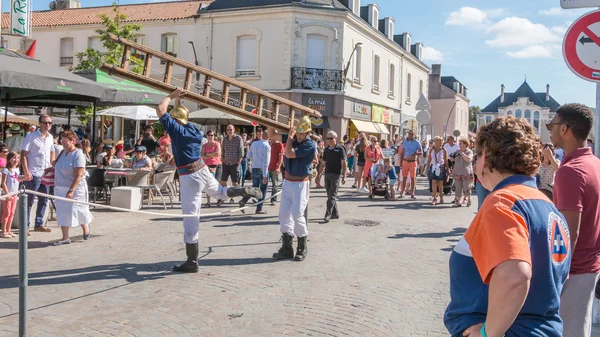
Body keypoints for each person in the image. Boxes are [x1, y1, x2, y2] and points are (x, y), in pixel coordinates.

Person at [444, 116, 572, 337]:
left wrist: (488, 333)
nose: (475, 163)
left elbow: (516, 276)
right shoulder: (548, 207)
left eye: (478, 154)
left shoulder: (502, 203)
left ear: (488, 157)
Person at [156, 88, 262, 273]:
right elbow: (180, 118)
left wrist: (170, 97)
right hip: (202, 169)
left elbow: (160, 110)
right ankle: (242, 190)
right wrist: (179, 102)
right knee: (220, 192)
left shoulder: (177, 131)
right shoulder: (194, 131)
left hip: (189, 176)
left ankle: (191, 261)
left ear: (175, 120)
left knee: (191, 217)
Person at [549, 103, 600, 337]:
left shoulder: (570, 171)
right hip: (589, 264)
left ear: (565, 129)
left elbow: (568, 232)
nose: (549, 129)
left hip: (574, 269)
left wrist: (554, 274)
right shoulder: (594, 164)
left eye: (552, 124)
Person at [267, 116, 316, 262]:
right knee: (283, 215)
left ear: (307, 133)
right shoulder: (293, 137)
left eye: (302, 133)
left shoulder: (310, 145)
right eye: (298, 133)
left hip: (301, 183)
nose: (299, 136)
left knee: (297, 215)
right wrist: (270, 120)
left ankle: (302, 247)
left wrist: (289, 137)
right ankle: (287, 248)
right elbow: (271, 135)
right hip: (288, 181)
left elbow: (289, 153)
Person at [52, 131, 93, 246]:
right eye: (62, 141)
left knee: (78, 209)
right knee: (62, 212)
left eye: (65, 142)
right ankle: (65, 237)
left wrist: (71, 190)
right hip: (60, 187)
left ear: (73, 141)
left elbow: (79, 175)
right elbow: (55, 164)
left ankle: (85, 226)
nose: (63, 144)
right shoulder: (61, 152)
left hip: (75, 188)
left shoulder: (78, 154)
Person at [22, 114, 55, 233]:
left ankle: (39, 223)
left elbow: (52, 152)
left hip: (45, 173)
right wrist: (26, 171)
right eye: (45, 122)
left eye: (50, 123)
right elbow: (23, 155)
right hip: (34, 172)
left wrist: (52, 165)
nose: (48, 125)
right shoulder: (31, 136)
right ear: (39, 123)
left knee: (44, 199)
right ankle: (25, 225)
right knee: (29, 200)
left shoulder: (50, 137)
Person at [240, 127, 270, 215]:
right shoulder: (266, 145)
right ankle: (259, 208)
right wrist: (265, 174)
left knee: (254, 188)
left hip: (254, 168)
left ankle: (243, 200)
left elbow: (248, 156)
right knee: (262, 190)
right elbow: (266, 161)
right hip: (262, 169)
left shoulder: (254, 143)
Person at [322, 130, 346, 223]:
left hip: (336, 174)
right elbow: (324, 163)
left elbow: (344, 163)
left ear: (335, 139)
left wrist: (344, 176)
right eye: (327, 138)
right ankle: (335, 213)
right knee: (330, 195)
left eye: (331, 138)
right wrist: (318, 175)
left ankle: (328, 214)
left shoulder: (340, 149)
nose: (329, 140)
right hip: (327, 173)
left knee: (332, 195)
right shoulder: (326, 150)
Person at [1, 152, 24, 238]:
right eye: (13, 158)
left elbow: (17, 180)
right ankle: (4, 231)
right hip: (7, 194)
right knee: (6, 213)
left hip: (14, 194)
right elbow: (3, 183)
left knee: (11, 213)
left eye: (17, 158)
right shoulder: (6, 170)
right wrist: (7, 194)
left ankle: (9, 230)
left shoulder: (17, 170)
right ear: (9, 159)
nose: (16, 160)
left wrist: (26, 177)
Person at [220, 124, 244, 202]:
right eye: (228, 130)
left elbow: (241, 150)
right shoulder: (225, 139)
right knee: (223, 181)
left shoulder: (238, 138)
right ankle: (226, 195)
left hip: (234, 163)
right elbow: (222, 150)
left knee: (235, 183)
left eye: (231, 130)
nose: (229, 131)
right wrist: (222, 158)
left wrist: (239, 160)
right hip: (226, 163)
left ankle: (240, 195)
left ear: (234, 130)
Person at [399, 129, 423, 199]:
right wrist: (401, 161)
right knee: (404, 177)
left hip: (413, 162)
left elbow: (421, 152)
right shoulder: (405, 142)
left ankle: (412, 193)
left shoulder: (417, 142)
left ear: (414, 135)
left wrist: (415, 153)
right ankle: (402, 192)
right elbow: (402, 152)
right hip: (405, 161)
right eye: (409, 134)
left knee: (413, 178)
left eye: (412, 134)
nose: (410, 135)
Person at [450, 137, 473, 207]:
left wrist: (462, 154)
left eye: (460, 144)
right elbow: (452, 160)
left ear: (465, 144)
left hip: (466, 173)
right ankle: (458, 202)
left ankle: (469, 199)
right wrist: (452, 158)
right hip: (457, 172)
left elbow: (469, 159)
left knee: (467, 188)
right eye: (459, 143)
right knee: (458, 188)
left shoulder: (469, 151)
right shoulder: (456, 152)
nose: (459, 145)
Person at [201, 130, 222, 208]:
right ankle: (208, 202)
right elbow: (202, 156)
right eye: (209, 135)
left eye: (212, 135)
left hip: (217, 165)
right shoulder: (204, 145)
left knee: (217, 182)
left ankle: (219, 198)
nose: (210, 136)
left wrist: (207, 154)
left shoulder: (217, 144)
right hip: (207, 165)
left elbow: (218, 153)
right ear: (206, 136)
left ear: (214, 136)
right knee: (208, 184)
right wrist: (211, 155)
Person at [427, 136, 448, 205]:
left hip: (441, 167)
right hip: (433, 167)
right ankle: (434, 198)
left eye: (437, 141)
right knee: (433, 182)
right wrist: (427, 168)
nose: (435, 142)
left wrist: (447, 169)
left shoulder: (444, 150)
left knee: (440, 183)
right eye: (435, 141)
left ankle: (441, 198)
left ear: (441, 143)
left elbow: (446, 160)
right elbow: (429, 159)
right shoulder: (431, 150)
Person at [268, 136, 284, 205]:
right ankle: (259, 199)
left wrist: (278, 167)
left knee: (275, 185)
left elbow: (281, 158)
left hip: (274, 168)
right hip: (267, 168)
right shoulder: (268, 144)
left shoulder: (279, 144)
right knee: (263, 184)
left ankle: (273, 200)